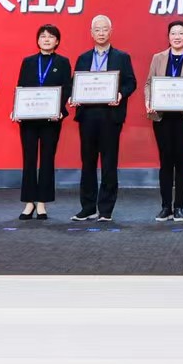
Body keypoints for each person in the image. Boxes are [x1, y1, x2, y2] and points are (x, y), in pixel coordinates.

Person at [70, 15, 137, 223]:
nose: (101, 33)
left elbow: (131, 82)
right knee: (87, 163)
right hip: (87, 116)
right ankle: (88, 207)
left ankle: (106, 209)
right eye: (97, 30)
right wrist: (72, 96)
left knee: (109, 163)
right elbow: (74, 83)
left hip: (110, 115)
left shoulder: (122, 57)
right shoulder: (83, 58)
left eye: (104, 29)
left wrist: (120, 94)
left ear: (111, 31)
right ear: (91, 33)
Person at [145, 20, 183, 221]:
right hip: (162, 117)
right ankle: (165, 207)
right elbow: (149, 83)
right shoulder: (158, 58)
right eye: (173, 33)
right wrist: (148, 100)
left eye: (181, 33)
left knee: (182, 161)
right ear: (168, 36)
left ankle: (179, 206)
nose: (177, 37)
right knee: (165, 162)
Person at [12, 23, 71, 221]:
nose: (46, 39)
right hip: (29, 118)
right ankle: (29, 202)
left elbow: (67, 88)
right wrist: (17, 109)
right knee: (29, 159)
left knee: (47, 159)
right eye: (43, 36)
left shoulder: (63, 62)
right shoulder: (28, 61)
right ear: (37, 40)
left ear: (57, 41)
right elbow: (20, 87)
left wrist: (58, 110)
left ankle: (42, 203)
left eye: (50, 36)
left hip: (51, 119)